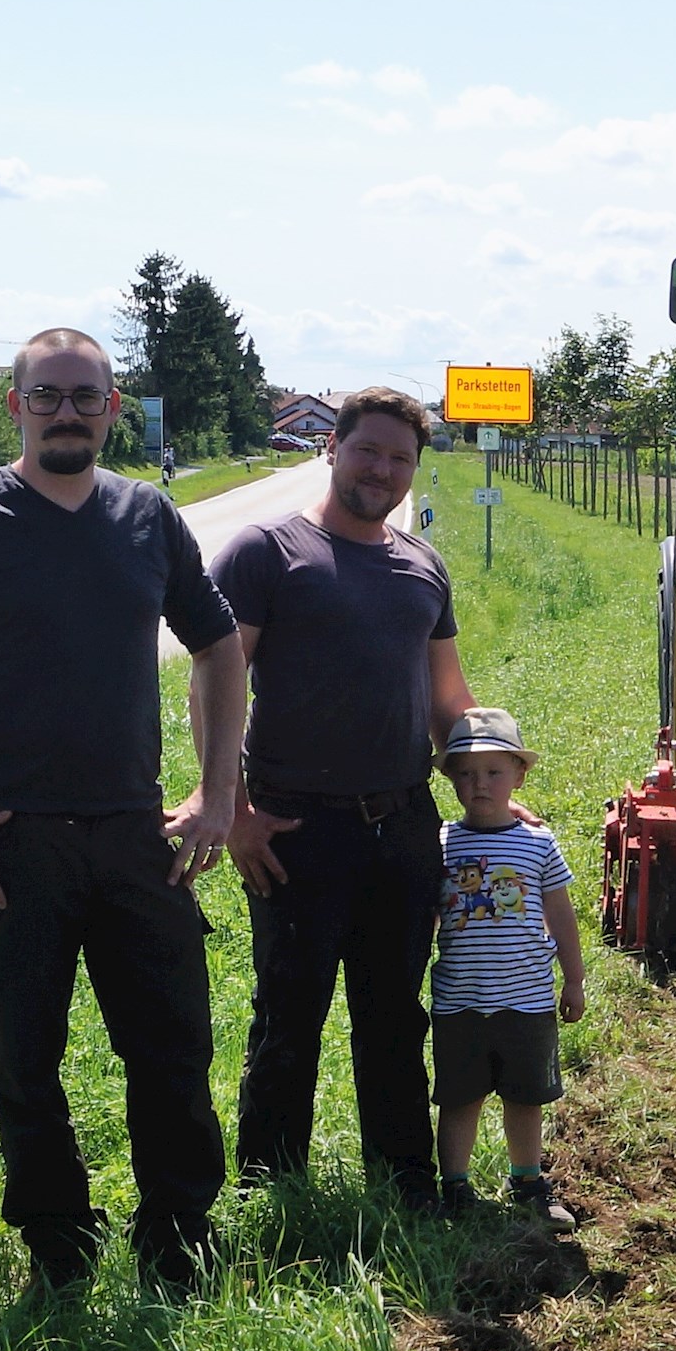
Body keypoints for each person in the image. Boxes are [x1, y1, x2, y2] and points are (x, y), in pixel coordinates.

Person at [0, 328, 242, 1287]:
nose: (68, 411)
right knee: (24, 1062)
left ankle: (179, 1239)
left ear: (113, 407)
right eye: (49, 395)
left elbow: (218, 647)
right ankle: (58, 1249)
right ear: (17, 406)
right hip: (7, 842)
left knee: (173, 1047)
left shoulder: (148, 516)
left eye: (87, 395)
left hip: (134, 832)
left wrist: (218, 789)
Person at [218, 386, 472, 1200]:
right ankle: (270, 1187)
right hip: (295, 826)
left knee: (395, 1013)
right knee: (289, 1013)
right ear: (333, 446)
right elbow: (215, 688)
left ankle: (404, 1180)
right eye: (369, 450)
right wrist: (234, 811)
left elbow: (448, 699)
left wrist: (490, 793)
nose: (383, 469)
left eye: (401, 458)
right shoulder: (266, 551)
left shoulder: (422, 565)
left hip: (400, 822)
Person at [428, 707, 586, 1220]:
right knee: (459, 1098)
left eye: (494, 772)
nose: (480, 784)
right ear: (451, 778)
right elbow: (428, 917)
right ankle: (454, 1188)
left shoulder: (538, 844)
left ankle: (529, 1184)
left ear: (519, 775)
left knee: (525, 1096)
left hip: (527, 999)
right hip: (460, 1003)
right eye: (467, 774)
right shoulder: (442, 845)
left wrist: (575, 981)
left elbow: (561, 916)